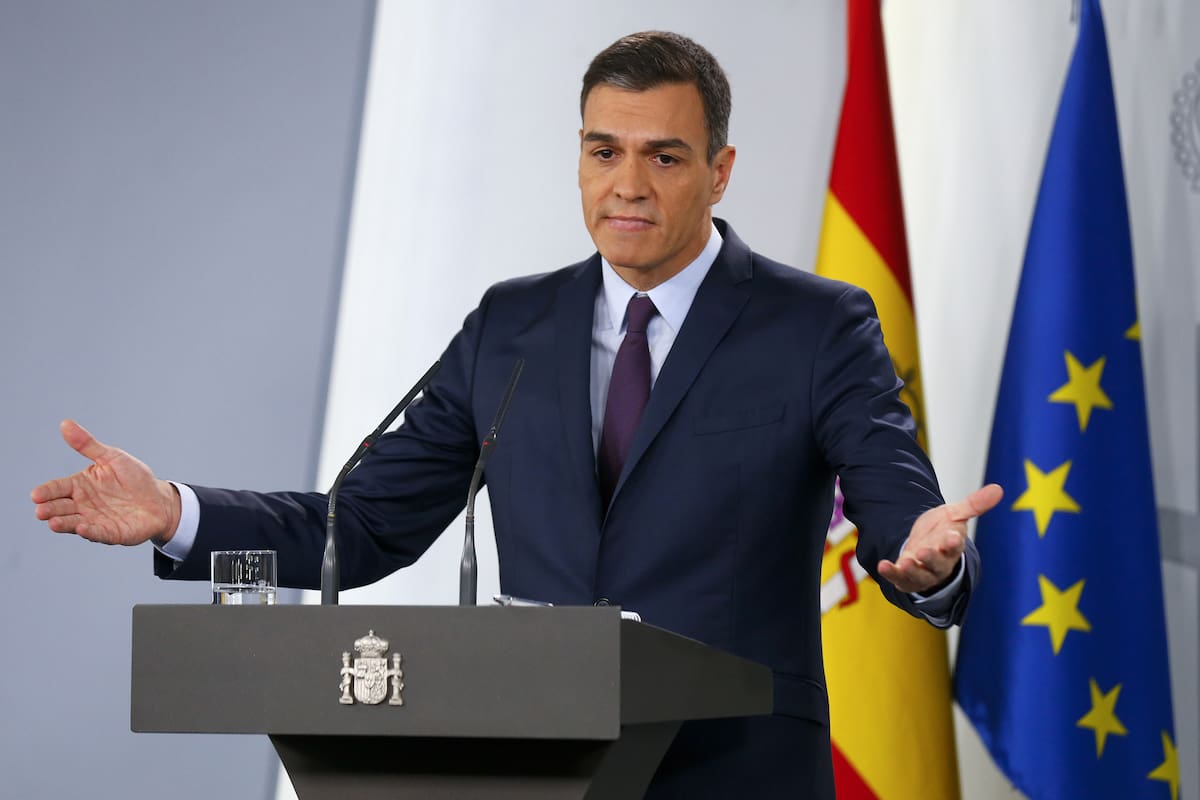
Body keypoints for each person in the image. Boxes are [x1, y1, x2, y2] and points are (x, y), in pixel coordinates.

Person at [32, 31, 1002, 798]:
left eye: (664, 156)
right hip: (531, 765)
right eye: (603, 151)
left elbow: (893, 493)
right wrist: (177, 512)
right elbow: (363, 524)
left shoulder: (814, 324)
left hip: (733, 767)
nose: (627, 184)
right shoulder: (514, 324)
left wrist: (933, 557)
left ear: (721, 167)